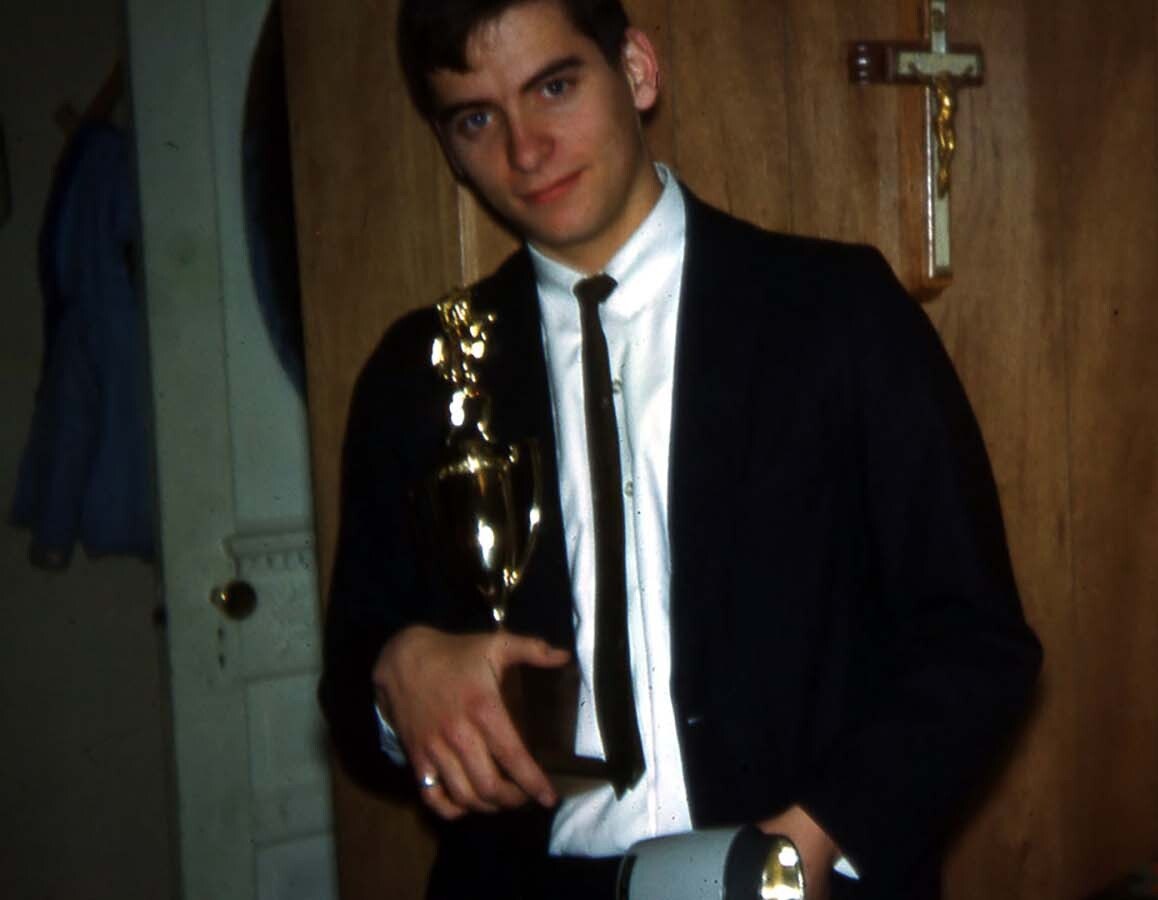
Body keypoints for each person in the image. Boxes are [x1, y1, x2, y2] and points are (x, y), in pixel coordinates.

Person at [318, 1, 1041, 897]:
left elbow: (977, 644)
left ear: (637, 69)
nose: (525, 148)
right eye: (476, 117)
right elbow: (354, 698)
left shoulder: (836, 315)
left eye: (554, 86)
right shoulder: (414, 375)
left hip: (802, 873)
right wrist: (401, 680)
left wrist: (815, 843)